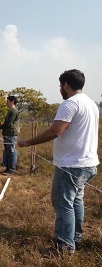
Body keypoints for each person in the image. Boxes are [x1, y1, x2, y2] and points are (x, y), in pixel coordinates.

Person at [18, 69, 99, 254]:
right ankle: (75, 239)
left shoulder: (70, 104)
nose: (59, 89)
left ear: (66, 85)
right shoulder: (91, 104)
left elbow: (56, 131)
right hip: (88, 164)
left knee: (63, 203)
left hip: (71, 165)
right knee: (76, 201)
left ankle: (64, 247)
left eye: (60, 85)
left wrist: (28, 142)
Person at [0, 95, 20, 175]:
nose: (7, 103)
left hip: (11, 134)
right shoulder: (11, 111)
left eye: (8, 101)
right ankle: (8, 169)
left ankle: (11, 170)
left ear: (12, 102)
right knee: (7, 152)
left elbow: (8, 123)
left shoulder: (13, 111)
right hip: (8, 134)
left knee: (11, 152)